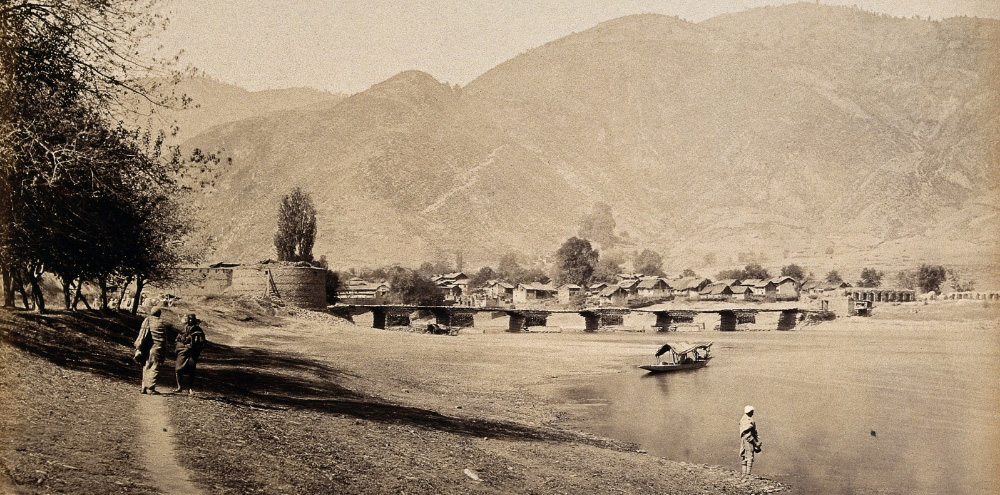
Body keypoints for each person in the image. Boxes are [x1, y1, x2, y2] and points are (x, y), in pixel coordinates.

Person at [134, 308, 166, 394]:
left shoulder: (148, 320)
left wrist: (139, 347)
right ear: (159, 314)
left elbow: (143, 334)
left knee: (146, 366)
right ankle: (150, 388)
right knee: (154, 367)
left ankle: (143, 387)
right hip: (157, 348)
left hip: (148, 347)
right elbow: (164, 338)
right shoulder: (161, 323)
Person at [173, 313, 206, 395]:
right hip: (182, 351)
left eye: (192, 319)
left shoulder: (198, 330)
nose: (190, 320)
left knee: (191, 369)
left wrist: (194, 344)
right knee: (178, 369)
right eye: (189, 319)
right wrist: (181, 344)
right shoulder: (182, 328)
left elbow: (202, 342)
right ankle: (179, 387)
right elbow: (177, 339)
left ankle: (190, 388)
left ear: (195, 320)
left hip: (193, 352)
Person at [740, 405, 762, 475]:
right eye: (752, 412)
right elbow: (747, 434)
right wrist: (756, 443)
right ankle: (747, 474)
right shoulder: (747, 420)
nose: (753, 413)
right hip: (748, 441)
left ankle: (744, 473)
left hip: (745, 440)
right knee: (749, 456)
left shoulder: (744, 419)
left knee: (744, 455)